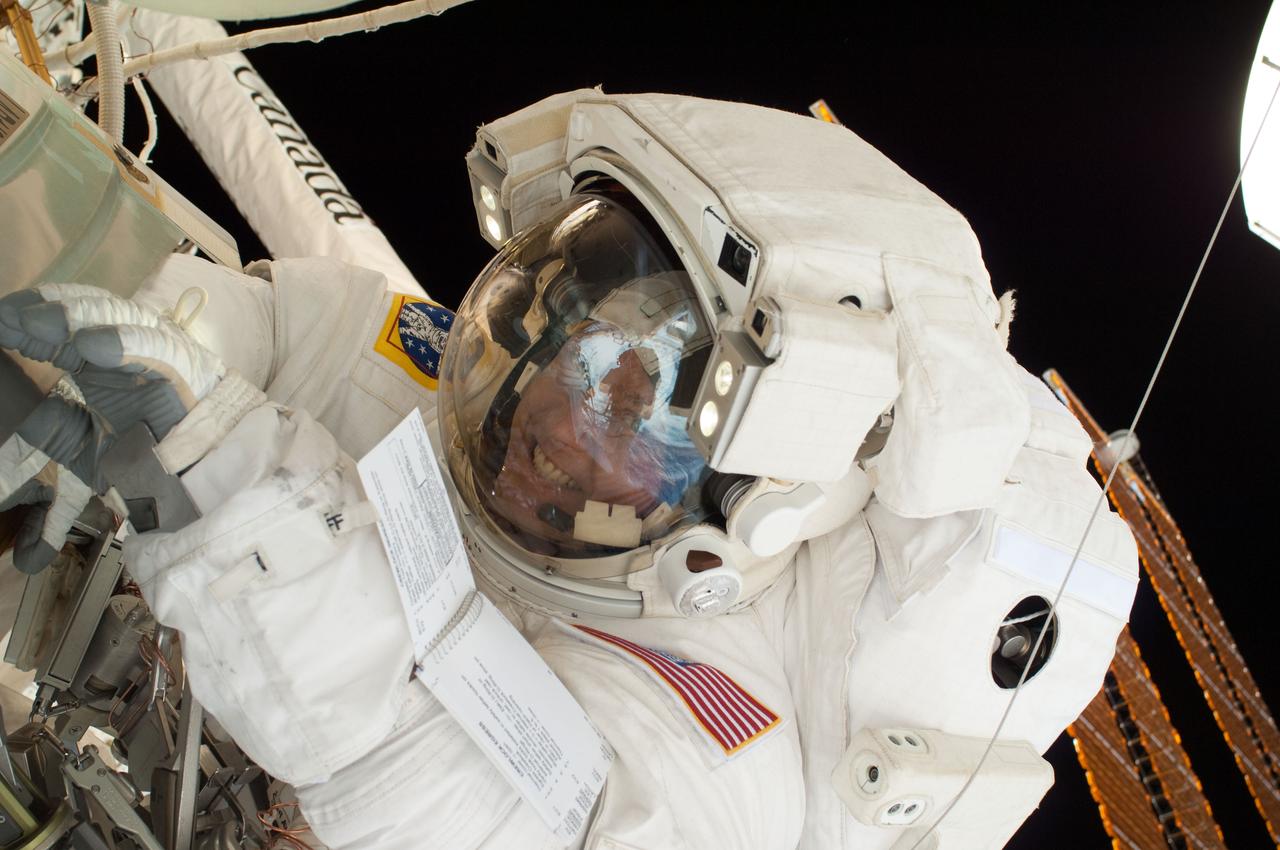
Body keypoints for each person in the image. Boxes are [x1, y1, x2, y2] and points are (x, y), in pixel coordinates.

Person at [0, 91, 1139, 849]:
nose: (562, 408)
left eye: (649, 403)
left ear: (751, 492)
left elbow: (462, 804)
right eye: (581, 329)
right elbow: (328, 337)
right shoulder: (476, 412)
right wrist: (179, 336)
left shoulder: (722, 734)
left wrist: (227, 471)